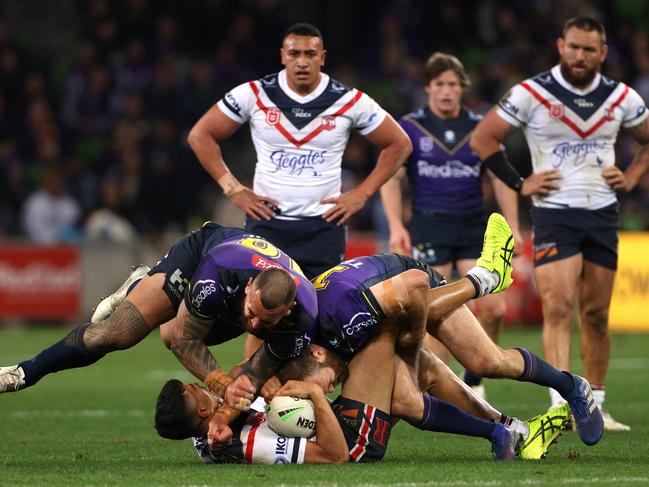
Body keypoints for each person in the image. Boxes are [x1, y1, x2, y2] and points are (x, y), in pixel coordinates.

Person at [154, 237, 571, 462]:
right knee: (395, 349)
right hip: (352, 439)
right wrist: (314, 392)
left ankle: (510, 428)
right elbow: (333, 455)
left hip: (337, 408)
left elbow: (251, 385)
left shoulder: (215, 435)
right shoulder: (231, 442)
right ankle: (480, 281)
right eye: (201, 391)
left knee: (428, 370)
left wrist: (261, 389)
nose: (206, 385)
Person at [283, 213, 603, 449]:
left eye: (322, 384)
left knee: (486, 362)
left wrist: (417, 332)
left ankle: (571, 386)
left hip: (412, 283)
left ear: (317, 353)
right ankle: (509, 431)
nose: (327, 390)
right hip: (385, 307)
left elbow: (415, 287)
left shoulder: (343, 319)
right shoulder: (312, 337)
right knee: (409, 390)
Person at [470, 16, 649, 431]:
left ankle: (597, 402)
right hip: (554, 213)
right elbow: (484, 138)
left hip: (603, 212)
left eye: (589, 49)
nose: (580, 55)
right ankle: (564, 404)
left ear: (602, 53)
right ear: (559, 46)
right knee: (557, 307)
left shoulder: (621, 97)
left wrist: (634, 177)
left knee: (596, 313)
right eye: (573, 47)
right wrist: (521, 181)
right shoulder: (532, 92)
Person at [0, 223, 317, 425]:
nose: (253, 323)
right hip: (203, 257)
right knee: (118, 334)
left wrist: (226, 410)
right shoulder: (215, 278)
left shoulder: (303, 317)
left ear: (289, 309)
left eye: (266, 320)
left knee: (171, 333)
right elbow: (185, 341)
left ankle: (145, 285)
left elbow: (255, 372)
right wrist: (222, 384)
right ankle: (25, 372)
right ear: (249, 288)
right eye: (252, 312)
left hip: (228, 293)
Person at [187, 22, 411, 279]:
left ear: (322, 58)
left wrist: (362, 194)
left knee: (322, 312)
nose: (302, 62)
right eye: (294, 54)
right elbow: (200, 135)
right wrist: (233, 189)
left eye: (310, 54)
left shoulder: (348, 100)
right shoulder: (255, 94)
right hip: (268, 225)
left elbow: (400, 144)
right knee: (262, 309)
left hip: (324, 228)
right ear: (283, 55)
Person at [379, 52, 533, 398]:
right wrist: (395, 225)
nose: (446, 91)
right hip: (429, 227)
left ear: (462, 88)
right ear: (428, 88)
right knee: (435, 314)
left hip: (473, 227)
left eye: (452, 84)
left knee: (494, 307)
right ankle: (445, 391)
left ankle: (476, 377)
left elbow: (501, 178)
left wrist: (513, 225)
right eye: (439, 85)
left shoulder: (480, 128)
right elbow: (392, 176)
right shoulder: (411, 127)